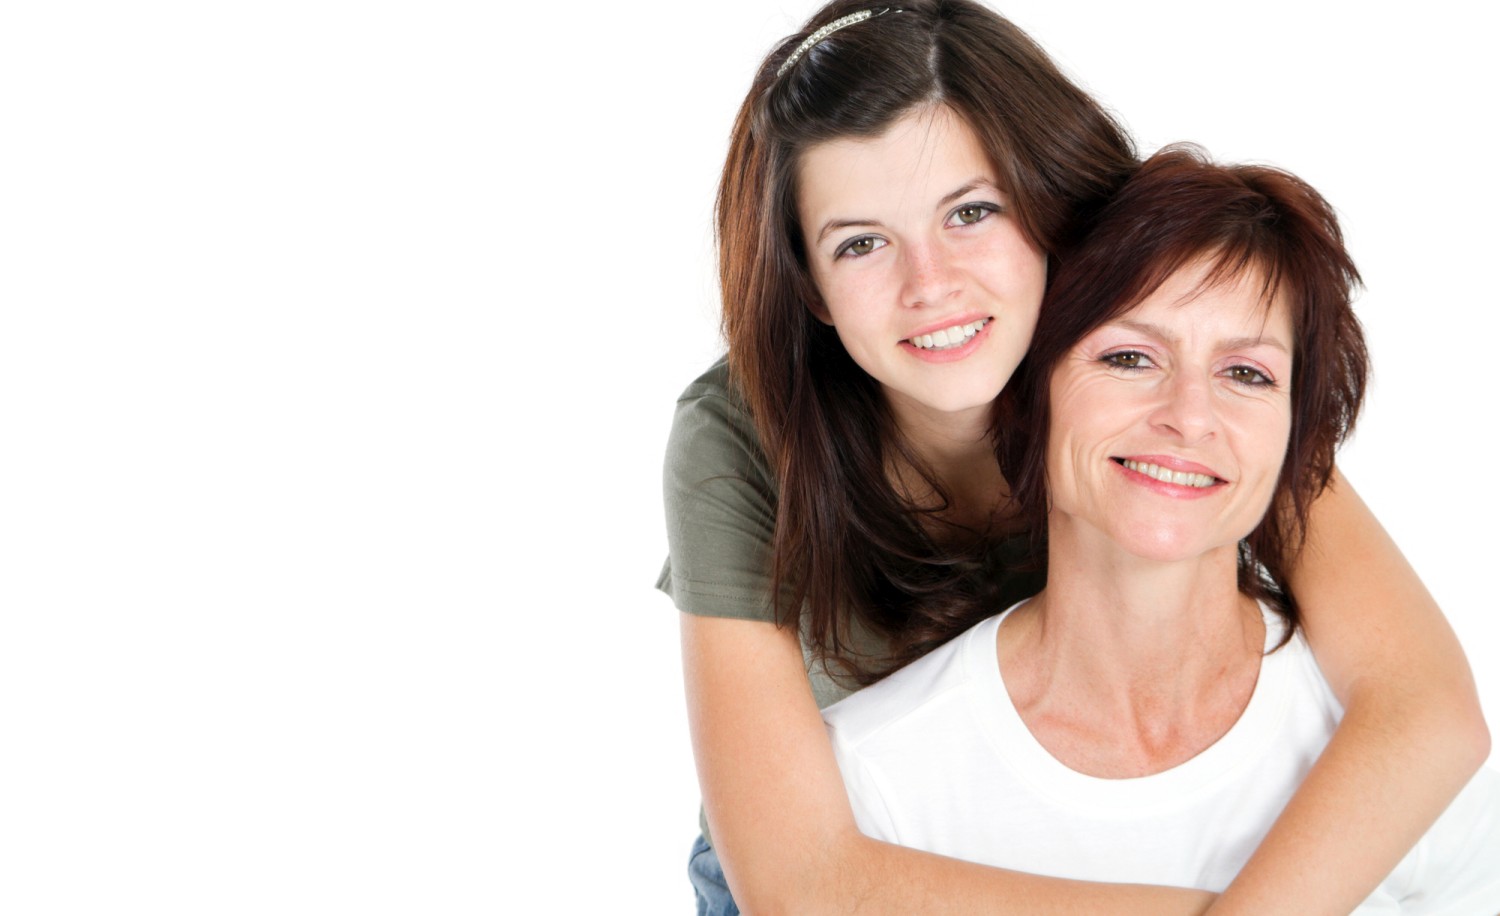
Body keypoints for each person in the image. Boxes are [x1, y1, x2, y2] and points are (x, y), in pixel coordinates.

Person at [660, 1, 1489, 912]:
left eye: (971, 212)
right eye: (860, 243)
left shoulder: (1146, 349)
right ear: (811, 288)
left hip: (1141, 820)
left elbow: (1424, 707)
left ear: (1048, 207)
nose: (930, 285)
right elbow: (802, 885)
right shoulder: (741, 432)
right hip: (856, 860)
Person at [822, 146, 1500, 910]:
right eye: (1129, 357)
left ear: (1295, 437)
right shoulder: (873, 780)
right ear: (1030, 394)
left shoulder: (1407, 760)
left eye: (1247, 373)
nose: (1190, 416)